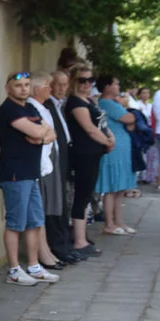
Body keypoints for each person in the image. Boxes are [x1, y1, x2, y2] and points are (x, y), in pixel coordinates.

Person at [0, 72, 60, 286]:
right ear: (8, 88)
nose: (23, 89)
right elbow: (36, 130)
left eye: (26, 85)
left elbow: (51, 133)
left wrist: (39, 136)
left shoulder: (29, 108)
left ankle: (34, 266)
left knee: (35, 221)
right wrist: (39, 133)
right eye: (18, 85)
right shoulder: (8, 110)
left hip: (31, 174)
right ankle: (14, 270)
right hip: (15, 175)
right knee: (16, 223)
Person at [64, 66, 109, 258]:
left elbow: (101, 123)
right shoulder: (75, 103)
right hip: (83, 154)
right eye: (83, 80)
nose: (87, 84)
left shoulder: (89, 100)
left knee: (86, 195)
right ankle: (79, 241)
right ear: (74, 81)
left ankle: (81, 236)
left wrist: (110, 138)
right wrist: (107, 142)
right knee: (81, 196)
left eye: (91, 80)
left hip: (94, 153)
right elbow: (89, 128)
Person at [28, 73, 67, 268]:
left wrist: (46, 135)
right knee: (39, 210)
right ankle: (41, 255)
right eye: (47, 86)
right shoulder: (32, 107)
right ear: (37, 89)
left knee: (43, 209)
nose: (50, 90)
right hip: (40, 163)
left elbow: (51, 134)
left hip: (48, 160)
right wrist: (45, 136)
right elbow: (42, 135)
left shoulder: (43, 108)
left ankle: (46, 252)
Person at [94, 77, 139, 234]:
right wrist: (131, 117)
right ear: (107, 87)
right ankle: (110, 223)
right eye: (116, 83)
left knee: (119, 188)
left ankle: (119, 222)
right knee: (112, 187)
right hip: (114, 149)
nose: (118, 86)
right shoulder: (106, 103)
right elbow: (129, 118)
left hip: (121, 149)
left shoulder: (113, 103)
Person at [44, 70, 81, 263]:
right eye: (58, 84)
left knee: (63, 202)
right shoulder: (46, 105)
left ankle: (65, 243)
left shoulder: (59, 105)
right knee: (55, 204)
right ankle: (58, 245)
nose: (61, 88)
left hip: (64, 156)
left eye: (65, 84)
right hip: (52, 160)